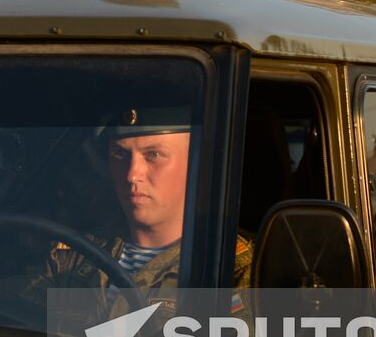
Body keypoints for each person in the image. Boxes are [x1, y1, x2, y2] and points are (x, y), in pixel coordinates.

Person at [39, 106, 253, 309]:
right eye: (119, 155)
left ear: (195, 163)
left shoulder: (230, 269)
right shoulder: (74, 254)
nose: (132, 174)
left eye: (154, 155)